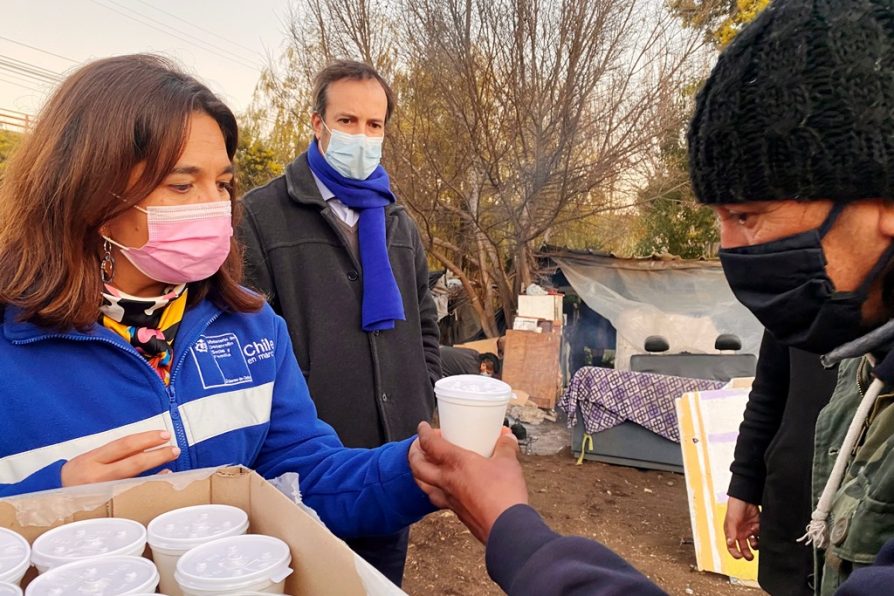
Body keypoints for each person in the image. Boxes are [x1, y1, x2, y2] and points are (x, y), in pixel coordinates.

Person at [0, 55, 434, 545]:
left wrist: (416, 470)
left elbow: (301, 479)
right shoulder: (13, 346)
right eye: (182, 185)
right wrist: (47, 500)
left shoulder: (252, 325)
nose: (215, 206)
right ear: (91, 193)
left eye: (223, 184)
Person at [687, 0, 894, 592]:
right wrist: (747, 482)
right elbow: (769, 388)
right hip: (794, 519)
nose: (732, 250)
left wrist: (519, 536)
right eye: (720, 220)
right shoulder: (852, 335)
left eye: (749, 215)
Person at [238, 59, 441, 584]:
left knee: (381, 581)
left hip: (392, 453)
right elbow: (252, 338)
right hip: (311, 460)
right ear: (317, 123)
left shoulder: (398, 221)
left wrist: (424, 392)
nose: (362, 136)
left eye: (375, 125)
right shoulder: (262, 215)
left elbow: (423, 324)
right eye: (348, 121)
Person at [725, 331, 838, 594]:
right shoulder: (797, 295)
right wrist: (744, 484)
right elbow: (769, 391)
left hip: (871, 521)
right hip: (793, 510)